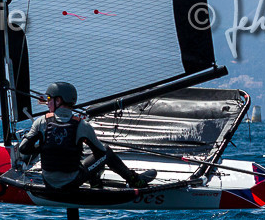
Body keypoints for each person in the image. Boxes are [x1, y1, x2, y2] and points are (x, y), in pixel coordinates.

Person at [9, 81, 157, 189]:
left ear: (58, 100)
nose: (47, 103)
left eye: (49, 99)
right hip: (72, 182)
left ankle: (95, 182)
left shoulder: (41, 121)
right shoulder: (82, 125)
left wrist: (43, 147)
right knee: (107, 152)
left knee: (87, 158)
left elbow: (24, 149)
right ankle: (135, 181)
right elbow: (101, 153)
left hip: (48, 182)